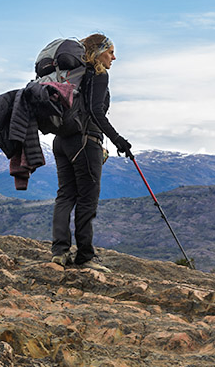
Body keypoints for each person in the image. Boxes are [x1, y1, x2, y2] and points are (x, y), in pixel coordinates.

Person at [50, 33, 132, 272]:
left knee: (65, 196)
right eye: (110, 52)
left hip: (62, 141)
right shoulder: (98, 75)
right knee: (87, 199)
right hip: (86, 142)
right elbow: (97, 112)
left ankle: (59, 252)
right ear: (98, 53)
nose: (113, 57)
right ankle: (85, 256)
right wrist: (118, 140)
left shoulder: (70, 76)